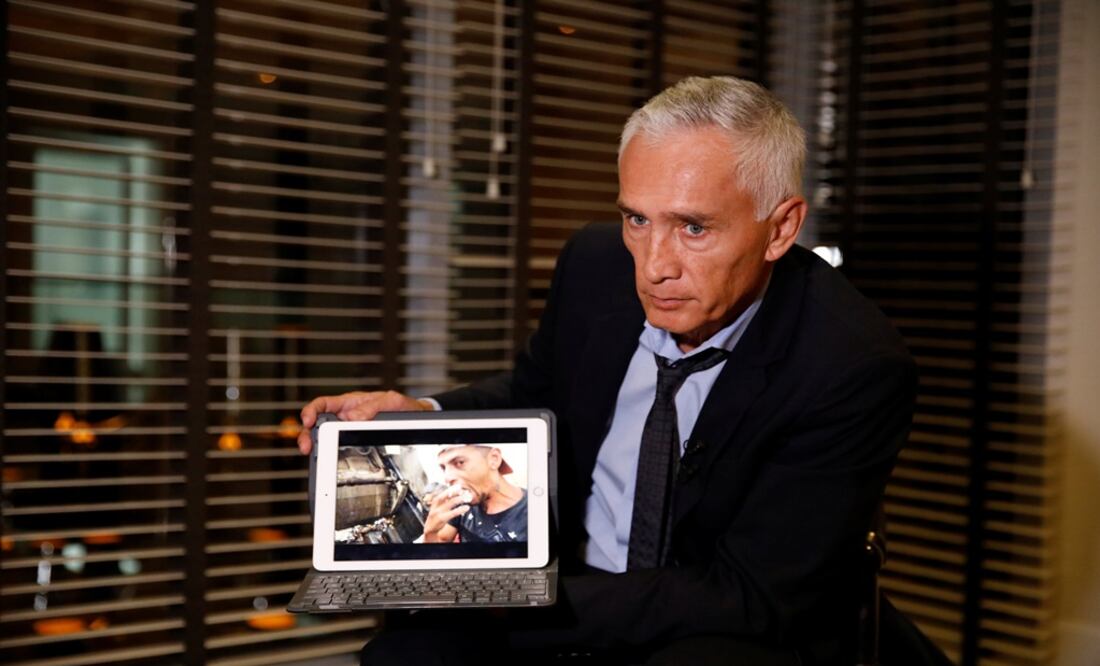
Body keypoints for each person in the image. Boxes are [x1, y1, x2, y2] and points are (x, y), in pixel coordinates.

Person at [298, 76, 917, 665]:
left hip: (724, 616)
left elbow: (754, 594)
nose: (653, 267)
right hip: (571, 580)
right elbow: (537, 394)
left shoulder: (850, 363)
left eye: (693, 228)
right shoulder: (594, 265)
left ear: (780, 228)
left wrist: (512, 601)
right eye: (637, 219)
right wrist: (425, 414)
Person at [421, 444, 527, 543]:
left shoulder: (534, 516)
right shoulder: (461, 503)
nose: (447, 478)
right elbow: (442, 540)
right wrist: (430, 532)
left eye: (459, 462)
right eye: (444, 468)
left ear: (494, 459)